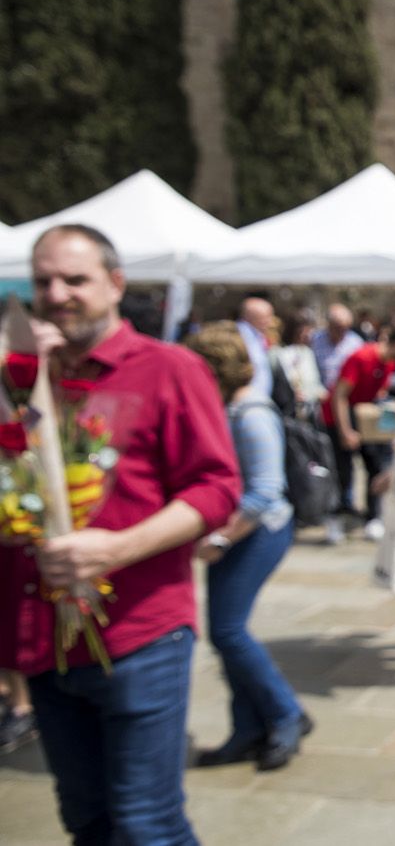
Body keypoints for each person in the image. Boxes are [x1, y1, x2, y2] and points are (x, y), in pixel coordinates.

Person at [0, 225, 239, 843]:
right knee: (87, 822)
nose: (58, 294)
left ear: (114, 284)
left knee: (146, 826)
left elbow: (216, 489)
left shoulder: (170, 369)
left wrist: (115, 548)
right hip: (43, 642)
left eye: (75, 279)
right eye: (44, 280)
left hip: (140, 634)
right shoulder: (22, 380)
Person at [183, 323, 310, 772]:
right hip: (235, 532)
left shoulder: (252, 413)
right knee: (225, 631)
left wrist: (218, 538)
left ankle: (284, 713)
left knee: (228, 632)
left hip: (258, 532)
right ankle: (247, 728)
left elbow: (264, 492)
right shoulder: (223, 408)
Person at [322, 326, 395, 543]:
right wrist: (345, 431)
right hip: (338, 419)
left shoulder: (389, 364)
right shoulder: (362, 356)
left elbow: (378, 395)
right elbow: (339, 397)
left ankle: (373, 518)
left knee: (375, 465)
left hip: (364, 418)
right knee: (342, 472)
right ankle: (336, 518)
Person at [310, 303, 364, 393]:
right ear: (329, 324)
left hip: (347, 395)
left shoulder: (356, 343)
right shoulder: (315, 340)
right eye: (337, 327)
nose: (341, 332)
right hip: (321, 394)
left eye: (344, 328)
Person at [235, 293, 277, 402]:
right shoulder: (241, 335)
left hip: (257, 399)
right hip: (247, 401)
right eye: (267, 317)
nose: (271, 322)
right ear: (252, 317)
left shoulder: (256, 335)